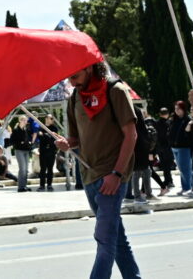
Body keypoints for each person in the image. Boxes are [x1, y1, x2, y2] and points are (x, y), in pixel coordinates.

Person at [56, 62, 140, 279]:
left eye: (74, 76)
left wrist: (117, 174)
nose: (70, 82)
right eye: (68, 78)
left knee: (104, 240)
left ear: (89, 68)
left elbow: (131, 135)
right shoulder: (74, 97)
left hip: (111, 177)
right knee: (116, 239)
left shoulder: (116, 91)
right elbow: (76, 138)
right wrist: (67, 143)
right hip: (88, 175)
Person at [170, 100, 193, 195]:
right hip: (174, 147)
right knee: (182, 168)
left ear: (183, 109)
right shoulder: (174, 119)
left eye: (179, 109)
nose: (177, 111)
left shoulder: (188, 119)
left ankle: (186, 188)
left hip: (184, 147)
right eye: (175, 109)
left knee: (184, 168)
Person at [154, 107, 174, 194]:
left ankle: (168, 180)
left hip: (159, 147)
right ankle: (168, 180)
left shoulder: (156, 123)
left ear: (159, 114)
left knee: (163, 163)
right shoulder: (169, 123)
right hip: (168, 146)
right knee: (168, 164)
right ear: (168, 114)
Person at [11, 115, 34, 192]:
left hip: (26, 150)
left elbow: (29, 138)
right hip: (19, 150)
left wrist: (29, 142)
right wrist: (21, 142)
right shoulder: (16, 130)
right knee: (22, 169)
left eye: (25, 120)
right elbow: (13, 141)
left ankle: (24, 185)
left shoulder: (26, 130)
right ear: (20, 121)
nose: (25, 122)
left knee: (26, 169)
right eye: (23, 120)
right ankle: (20, 187)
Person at [37, 115, 59, 191]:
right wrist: (47, 136)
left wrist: (45, 135)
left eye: (51, 118)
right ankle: (41, 185)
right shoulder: (41, 127)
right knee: (42, 169)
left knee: (50, 169)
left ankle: (49, 185)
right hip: (43, 151)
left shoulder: (54, 128)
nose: (49, 120)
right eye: (47, 118)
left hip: (51, 151)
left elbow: (53, 139)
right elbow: (40, 137)